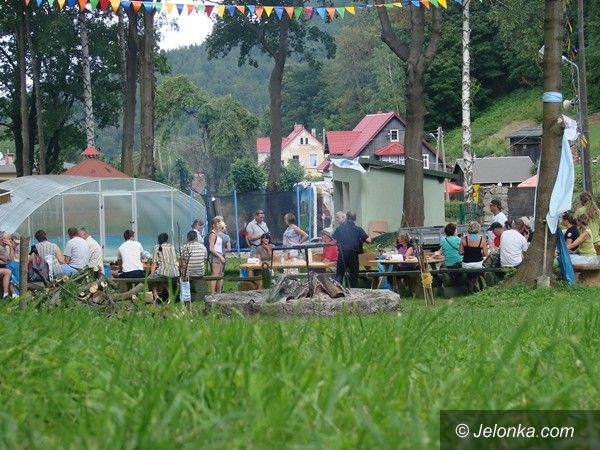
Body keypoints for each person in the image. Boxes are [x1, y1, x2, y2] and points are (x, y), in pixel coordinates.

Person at [332, 211, 371, 288]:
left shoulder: (339, 229)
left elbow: (334, 240)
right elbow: (369, 240)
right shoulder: (359, 229)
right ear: (355, 219)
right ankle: (353, 291)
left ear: (346, 217)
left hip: (342, 254)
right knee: (353, 275)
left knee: (339, 274)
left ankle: (337, 291)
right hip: (353, 255)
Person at [459, 221, 488, 293]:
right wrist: (478, 254)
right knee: (477, 272)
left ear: (469, 228)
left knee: (470, 273)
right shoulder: (482, 240)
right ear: (478, 229)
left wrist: (468, 252)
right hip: (478, 263)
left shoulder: (463, 239)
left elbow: (460, 252)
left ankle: (471, 286)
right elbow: (485, 254)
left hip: (466, 263)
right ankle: (473, 286)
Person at [150, 233, 180, 301]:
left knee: (152, 279)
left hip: (164, 272)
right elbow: (178, 258)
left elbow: (154, 263)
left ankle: (156, 296)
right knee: (163, 279)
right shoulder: (172, 246)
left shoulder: (157, 247)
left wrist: (151, 274)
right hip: (175, 273)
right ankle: (171, 295)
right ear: (167, 239)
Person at [207, 217, 226, 294]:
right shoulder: (213, 234)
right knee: (215, 275)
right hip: (215, 256)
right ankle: (212, 293)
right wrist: (219, 256)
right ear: (213, 225)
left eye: (219, 223)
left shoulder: (218, 234)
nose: (219, 224)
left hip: (219, 255)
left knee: (220, 275)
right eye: (217, 223)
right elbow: (211, 248)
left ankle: (219, 293)